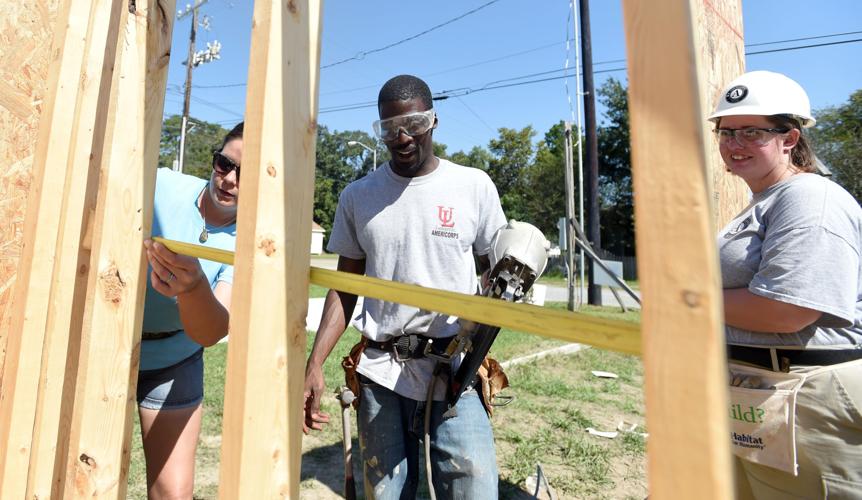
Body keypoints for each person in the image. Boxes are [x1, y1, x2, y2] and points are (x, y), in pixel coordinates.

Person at [302, 74, 506, 499]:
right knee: (386, 492)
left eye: (413, 123)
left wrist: (476, 350)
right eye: (390, 127)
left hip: (454, 372)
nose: (403, 137)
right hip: (381, 372)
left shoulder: (472, 186)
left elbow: (497, 281)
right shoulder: (358, 196)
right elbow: (344, 286)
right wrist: (316, 361)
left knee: (473, 486)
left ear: (433, 121)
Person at [711, 71, 862, 499]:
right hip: (766, 390)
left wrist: (683, 300)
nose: (734, 143)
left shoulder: (811, 198)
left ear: (790, 138)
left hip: (809, 392)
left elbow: (788, 308)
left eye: (752, 132)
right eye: (726, 132)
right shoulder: (765, 201)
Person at [138, 122, 242, 499]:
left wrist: (194, 287)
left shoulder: (250, 242)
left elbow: (211, 331)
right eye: (224, 164)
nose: (229, 179)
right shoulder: (160, 184)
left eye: (244, 174)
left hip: (173, 359)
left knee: (174, 493)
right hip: (103, 347)